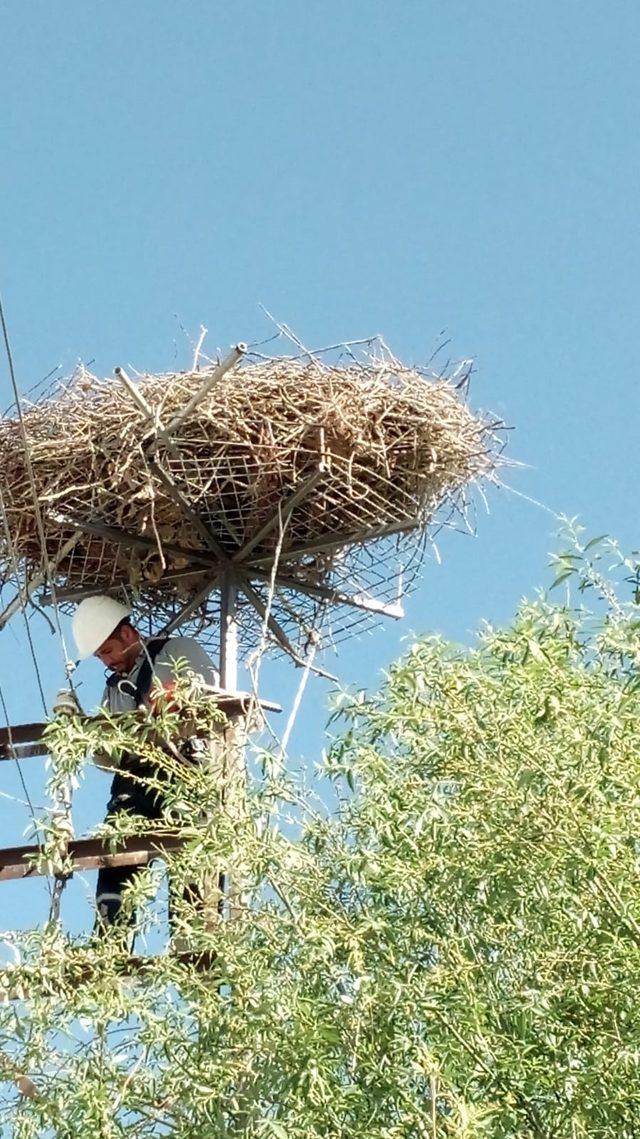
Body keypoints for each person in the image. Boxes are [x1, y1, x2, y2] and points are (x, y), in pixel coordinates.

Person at [71, 595, 220, 932]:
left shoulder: (177, 651)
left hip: (184, 771)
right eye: (99, 657)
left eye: (108, 651)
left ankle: (193, 951)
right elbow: (107, 758)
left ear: (127, 634)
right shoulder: (113, 690)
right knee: (116, 868)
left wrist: (174, 698)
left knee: (190, 867)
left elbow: (207, 693)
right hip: (134, 785)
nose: (106, 662)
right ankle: (110, 956)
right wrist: (86, 733)